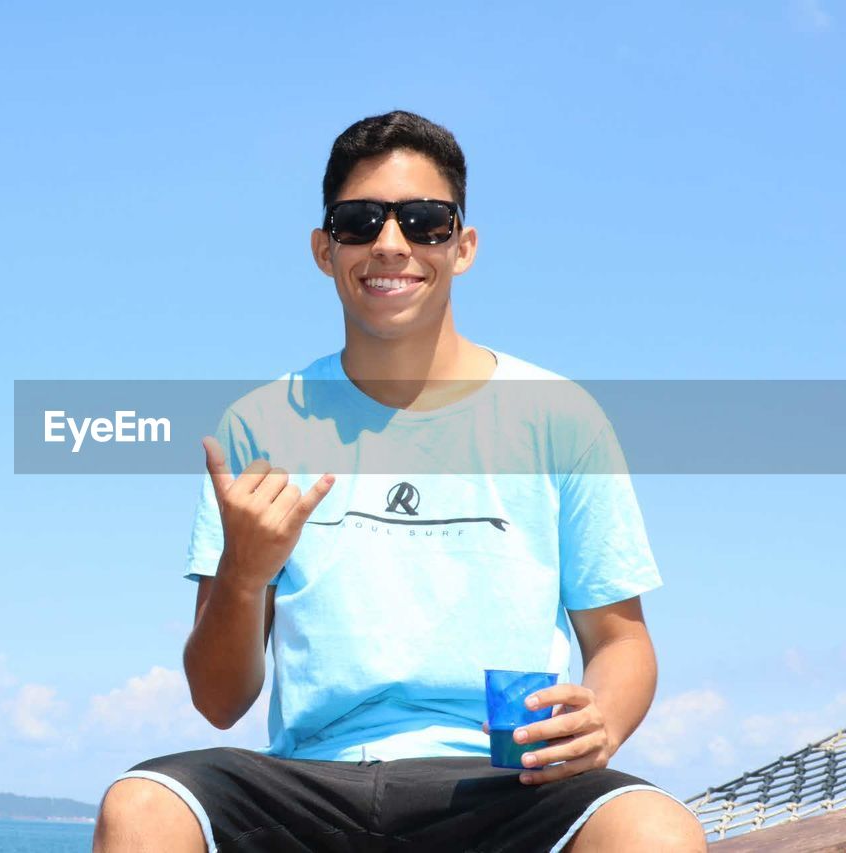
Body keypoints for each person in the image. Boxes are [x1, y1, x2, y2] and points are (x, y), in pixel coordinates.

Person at [92, 111, 707, 852]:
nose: (391, 243)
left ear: (464, 246)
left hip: (507, 782)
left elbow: (621, 641)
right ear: (325, 250)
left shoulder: (559, 415)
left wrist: (601, 719)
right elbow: (219, 701)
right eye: (360, 221)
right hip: (310, 784)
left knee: (656, 830)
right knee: (140, 807)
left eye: (424, 220)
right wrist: (243, 575)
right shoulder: (257, 425)